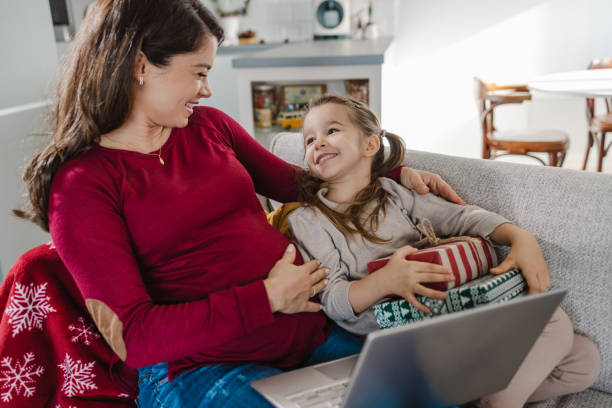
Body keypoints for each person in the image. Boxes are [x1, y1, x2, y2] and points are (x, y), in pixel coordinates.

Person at [13, 1, 465, 407]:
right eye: (200, 72)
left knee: (440, 387)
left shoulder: (209, 127)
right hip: (199, 369)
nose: (206, 90)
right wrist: (267, 297)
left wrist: (393, 173)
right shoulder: (82, 184)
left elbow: (302, 186)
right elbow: (134, 337)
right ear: (140, 65)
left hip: (312, 333)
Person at [287, 94, 601, 407]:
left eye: (331, 131)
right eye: (310, 139)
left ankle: (481, 397)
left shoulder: (394, 194)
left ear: (370, 145)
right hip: (407, 334)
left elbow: (460, 217)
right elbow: (333, 300)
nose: (318, 143)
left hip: (451, 309)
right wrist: (385, 282)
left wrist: (518, 237)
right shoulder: (309, 219)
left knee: (584, 360)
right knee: (554, 322)